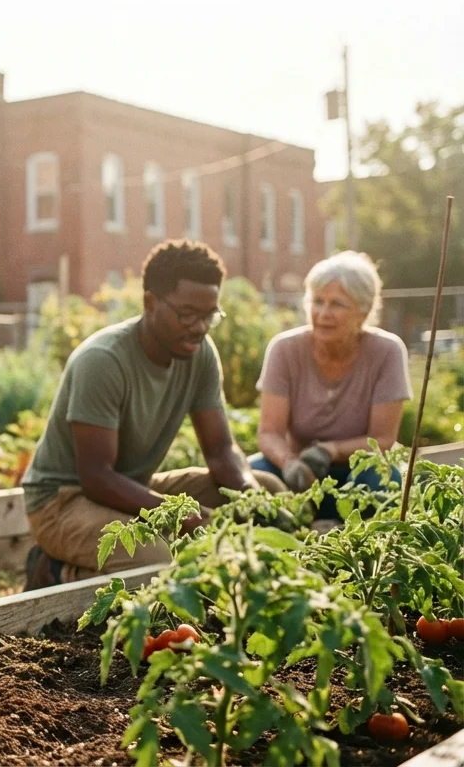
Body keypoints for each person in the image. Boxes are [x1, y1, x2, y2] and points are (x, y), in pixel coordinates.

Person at [21, 239, 287, 589]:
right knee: (156, 558)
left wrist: (252, 497)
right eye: (188, 314)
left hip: (130, 488)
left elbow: (221, 451)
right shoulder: (103, 361)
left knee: (265, 487)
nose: (200, 328)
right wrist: (181, 515)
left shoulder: (199, 353)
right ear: (149, 302)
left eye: (210, 316)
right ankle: (56, 570)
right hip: (63, 502)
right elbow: (96, 476)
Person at [251, 251, 409, 517]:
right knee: (251, 476)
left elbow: (383, 438)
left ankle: (359, 545)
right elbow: (269, 432)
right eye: (317, 301)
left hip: (357, 473)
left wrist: (330, 450)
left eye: (337, 304)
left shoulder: (387, 351)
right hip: (300, 473)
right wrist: (289, 463)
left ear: (363, 311)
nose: (323, 313)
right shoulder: (285, 349)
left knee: (383, 477)